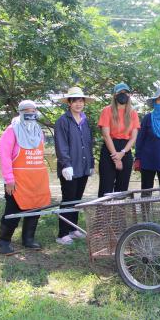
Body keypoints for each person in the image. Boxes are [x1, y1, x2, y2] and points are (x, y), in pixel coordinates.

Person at [0, 100, 51, 255]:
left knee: (35, 209)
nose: (30, 113)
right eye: (26, 110)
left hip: (36, 180)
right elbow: (4, 156)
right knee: (13, 211)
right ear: (20, 112)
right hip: (17, 181)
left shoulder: (38, 131)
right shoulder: (11, 130)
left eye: (33, 110)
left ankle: (28, 239)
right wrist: (9, 179)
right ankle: (4, 241)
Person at [54, 87, 95, 246]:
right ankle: (62, 233)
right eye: (75, 101)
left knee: (77, 199)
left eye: (81, 100)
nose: (78, 104)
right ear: (69, 103)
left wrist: (91, 163)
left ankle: (72, 228)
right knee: (68, 199)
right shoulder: (63, 121)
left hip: (83, 166)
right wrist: (65, 164)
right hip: (69, 167)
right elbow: (61, 144)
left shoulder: (85, 121)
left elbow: (88, 143)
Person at [97, 83, 140, 197]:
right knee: (106, 189)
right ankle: (103, 215)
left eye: (125, 92)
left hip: (125, 150)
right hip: (109, 149)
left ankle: (118, 214)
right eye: (120, 92)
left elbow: (134, 137)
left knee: (121, 190)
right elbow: (106, 135)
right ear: (115, 95)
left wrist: (123, 153)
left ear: (129, 95)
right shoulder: (107, 111)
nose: (123, 95)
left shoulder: (133, 113)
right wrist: (116, 157)